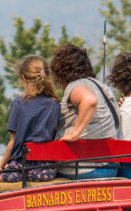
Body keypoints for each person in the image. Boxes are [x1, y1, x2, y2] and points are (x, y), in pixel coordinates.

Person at [0, 55, 60, 191]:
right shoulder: (55, 104)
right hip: (48, 170)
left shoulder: (19, 103)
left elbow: (12, 142)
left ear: (23, 78)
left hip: (22, 168)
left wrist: (0, 166)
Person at [50, 43, 122, 179]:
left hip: (84, 167)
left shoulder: (75, 86)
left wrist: (74, 134)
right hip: (110, 165)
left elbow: (89, 100)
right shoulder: (103, 87)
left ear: (60, 71)